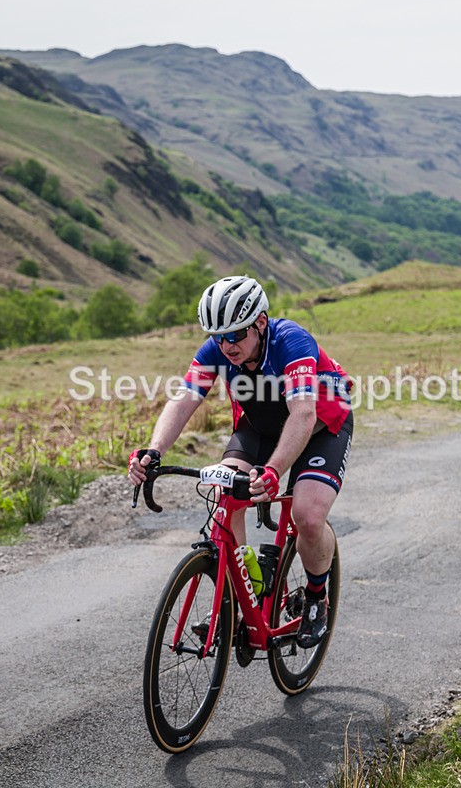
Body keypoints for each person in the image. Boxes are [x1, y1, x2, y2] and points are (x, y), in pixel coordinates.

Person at [128, 275, 354, 649]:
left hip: (321, 424)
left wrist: (274, 471)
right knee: (224, 491)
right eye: (219, 336)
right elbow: (184, 400)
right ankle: (239, 595)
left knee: (308, 516)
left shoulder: (291, 341)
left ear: (260, 322)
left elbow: (302, 414)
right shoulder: (216, 350)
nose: (227, 345)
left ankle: (316, 596)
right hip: (260, 426)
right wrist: (153, 451)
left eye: (235, 335)